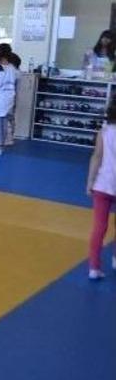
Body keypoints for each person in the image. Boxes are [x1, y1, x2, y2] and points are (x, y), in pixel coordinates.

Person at [85, 104, 116, 280]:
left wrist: (90, 181)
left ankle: (94, 268)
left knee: (99, 227)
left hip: (102, 184)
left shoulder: (104, 132)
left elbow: (97, 157)